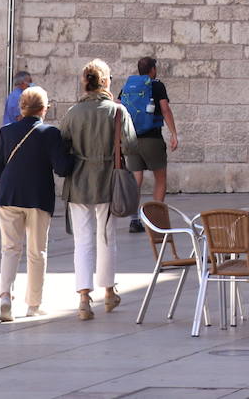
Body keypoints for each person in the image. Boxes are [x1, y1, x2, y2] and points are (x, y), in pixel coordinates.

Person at [61, 58, 137, 321]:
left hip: (79, 181)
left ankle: (84, 297)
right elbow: (131, 146)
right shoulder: (117, 112)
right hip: (107, 180)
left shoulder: (72, 113)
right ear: (105, 82)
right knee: (106, 238)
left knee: (82, 241)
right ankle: (108, 291)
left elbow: (62, 145)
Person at [0, 85, 73, 321]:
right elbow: (62, 168)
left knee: (9, 249)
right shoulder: (50, 133)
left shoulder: (6, 132)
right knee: (36, 251)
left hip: (8, 196)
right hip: (38, 196)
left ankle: (6, 296)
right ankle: (33, 304)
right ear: (44, 109)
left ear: (22, 108)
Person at [121, 57, 178, 233]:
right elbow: (165, 109)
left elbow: (119, 106)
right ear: (152, 69)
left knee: (136, 179)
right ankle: (155, 222)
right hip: (152, 139)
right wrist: (174, 133)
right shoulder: (157, 85)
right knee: (160, 178)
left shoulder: (128, 86)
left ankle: (134, 220)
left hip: (131, 139)